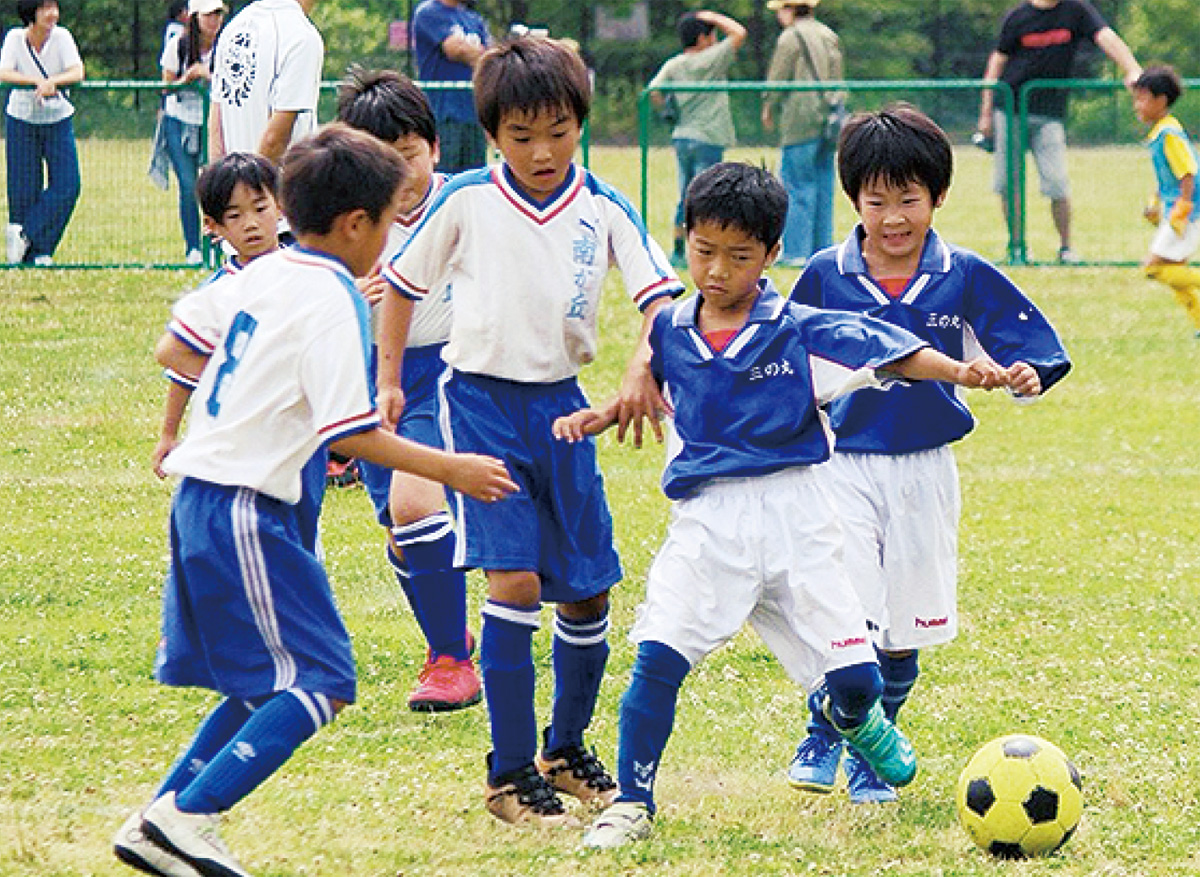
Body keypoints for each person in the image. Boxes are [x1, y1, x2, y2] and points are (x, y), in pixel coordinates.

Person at [562, 162, 1012, 848]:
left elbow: (893, 353)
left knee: (859, 677)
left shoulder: (798, 329)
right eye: (703, 250)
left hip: (800, 517)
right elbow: (644, 391)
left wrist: (962, 370)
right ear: (686, 239)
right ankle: (632, 799)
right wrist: (598, 416)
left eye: (739, 256)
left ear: (772, 255)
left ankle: (855, 715)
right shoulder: (672, 330)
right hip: (708, 525)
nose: (717, 270)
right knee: (658, 657)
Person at [111, 124, 517, 877]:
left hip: (207, 498)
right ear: (359, 224)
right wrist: (453, 468)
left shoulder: (261, 273)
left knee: (266, 681)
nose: (395, 240)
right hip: (244, 507)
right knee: (321, 679)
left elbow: (179, 341)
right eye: (393, 222)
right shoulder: (333, 299)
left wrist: (259, 383)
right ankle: (191, 815)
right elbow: (353, 433)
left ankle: (161, 818)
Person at [380, 36, 685, 827]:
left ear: (581, 121)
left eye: (558, 130)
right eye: (521, 136)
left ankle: (564, 748)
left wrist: (638, 369)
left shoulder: (603, 205)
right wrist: (385, 381)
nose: (542, 151)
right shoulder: (466, 200)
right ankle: (508, 771)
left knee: (588, 589)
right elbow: (401, 288)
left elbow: (659, 301)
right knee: (513, 580)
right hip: (480, 402)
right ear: (491, 137)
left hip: (566, 407)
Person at [787, 104, 1071, 804]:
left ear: (938, 196)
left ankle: (869, 748)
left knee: (906, 627)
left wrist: (1027, 374)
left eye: (907, 199)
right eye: (876, 200)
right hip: (842, 465)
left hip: (925, 469)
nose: (891, 218)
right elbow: (786, 353)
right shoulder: (826, 273)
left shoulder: (961, 272)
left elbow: (1028, 345)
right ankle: (828, 733)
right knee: (847, 609)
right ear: (853, 199)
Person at [336, 66, 482, 712]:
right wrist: (348, 294)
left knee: (415, 505)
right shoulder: (346, 221)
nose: (401, 174)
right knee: (399, 531)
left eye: (410, 156)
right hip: (373, 379)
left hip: (449, 375)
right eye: (382, 162)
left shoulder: (467, 203)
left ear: (435, 148)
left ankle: (452, 660)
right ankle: (447, 637)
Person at [976, 0, 1141, 264]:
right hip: (1010, 110)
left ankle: (1066, 249)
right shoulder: (1018, 17)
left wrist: (1132, 69)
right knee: (1008, 183)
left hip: (1050, 113)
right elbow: (996, 63)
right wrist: (985, 113)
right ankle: (1017, 247)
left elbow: (1106, 37)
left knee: (1057, 182)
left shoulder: (1076, 10)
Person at [647, 10, 746, 269]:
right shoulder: (711, 59)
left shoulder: (674, 64)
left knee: (686, 195)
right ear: (703, 38)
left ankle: (679, 249)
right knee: (707, 197)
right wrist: (712, 16)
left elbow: (654, 91)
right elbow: (739, 33)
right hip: (709, 137)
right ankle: (704, 247)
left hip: (682, 135)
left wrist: (669, 111)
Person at [0, 0, 83, 266]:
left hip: (57, 119)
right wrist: (35, 82)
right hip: (21, 120)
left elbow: (77, 71)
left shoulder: (62, 37)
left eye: (55, 7)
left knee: (68, 185)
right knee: (24, 188)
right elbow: (4, 71)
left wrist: (53, 83)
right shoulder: (15, 37)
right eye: (45, 8)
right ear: (30, 12)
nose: (53, 14)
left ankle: (29, 236)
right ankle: (33, 255)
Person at [762, 0, 842, 268]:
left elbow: (778, 78)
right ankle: (822, 250)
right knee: (823, 186)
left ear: (789, 9)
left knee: (796, 186)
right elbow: (838, 78)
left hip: (799, 118)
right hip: (828, 118)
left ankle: (796, 252)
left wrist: (768, 106)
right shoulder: (828, 34)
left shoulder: (790, 37)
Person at [208, 0, 323, 165]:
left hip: (233, 180)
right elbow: (273, 140)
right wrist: (252, 188)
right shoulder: (302, 37)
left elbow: (216, 120)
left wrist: (221, 181)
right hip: (278, 183)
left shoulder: (234, 27)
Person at [1132, 66, 1200, 337]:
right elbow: (1167, 178)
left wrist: (1182, 208)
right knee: (1174, 272)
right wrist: (1155, 203)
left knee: (1153, 267)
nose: (1137, 105)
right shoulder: (1161, 132)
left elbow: (1187, 172)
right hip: (1181, 210)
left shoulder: (1169, 134)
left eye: (1143, 98)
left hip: (1187, 213)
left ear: (1161, 101)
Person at [159, 0, 227, 265]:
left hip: (211, 120)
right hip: (179, 120)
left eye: (218, 15)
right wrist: (185, 79)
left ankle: (218, 243)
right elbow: (165, 87)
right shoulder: (179, 44)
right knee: (188, 185)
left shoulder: (226, 46)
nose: (215, 21)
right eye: (209, 15)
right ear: (196, 17)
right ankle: (193, 247)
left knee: (216, 183)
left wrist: (208, 76)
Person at [411, 0, 490, 173]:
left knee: (475, 180)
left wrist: (480, 56)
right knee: (445, 178)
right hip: (443, 114)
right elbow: (455, 50)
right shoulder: (429, 12)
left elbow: (489, 59)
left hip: (473, 114)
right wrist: (479, 54)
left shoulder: (473, 19)